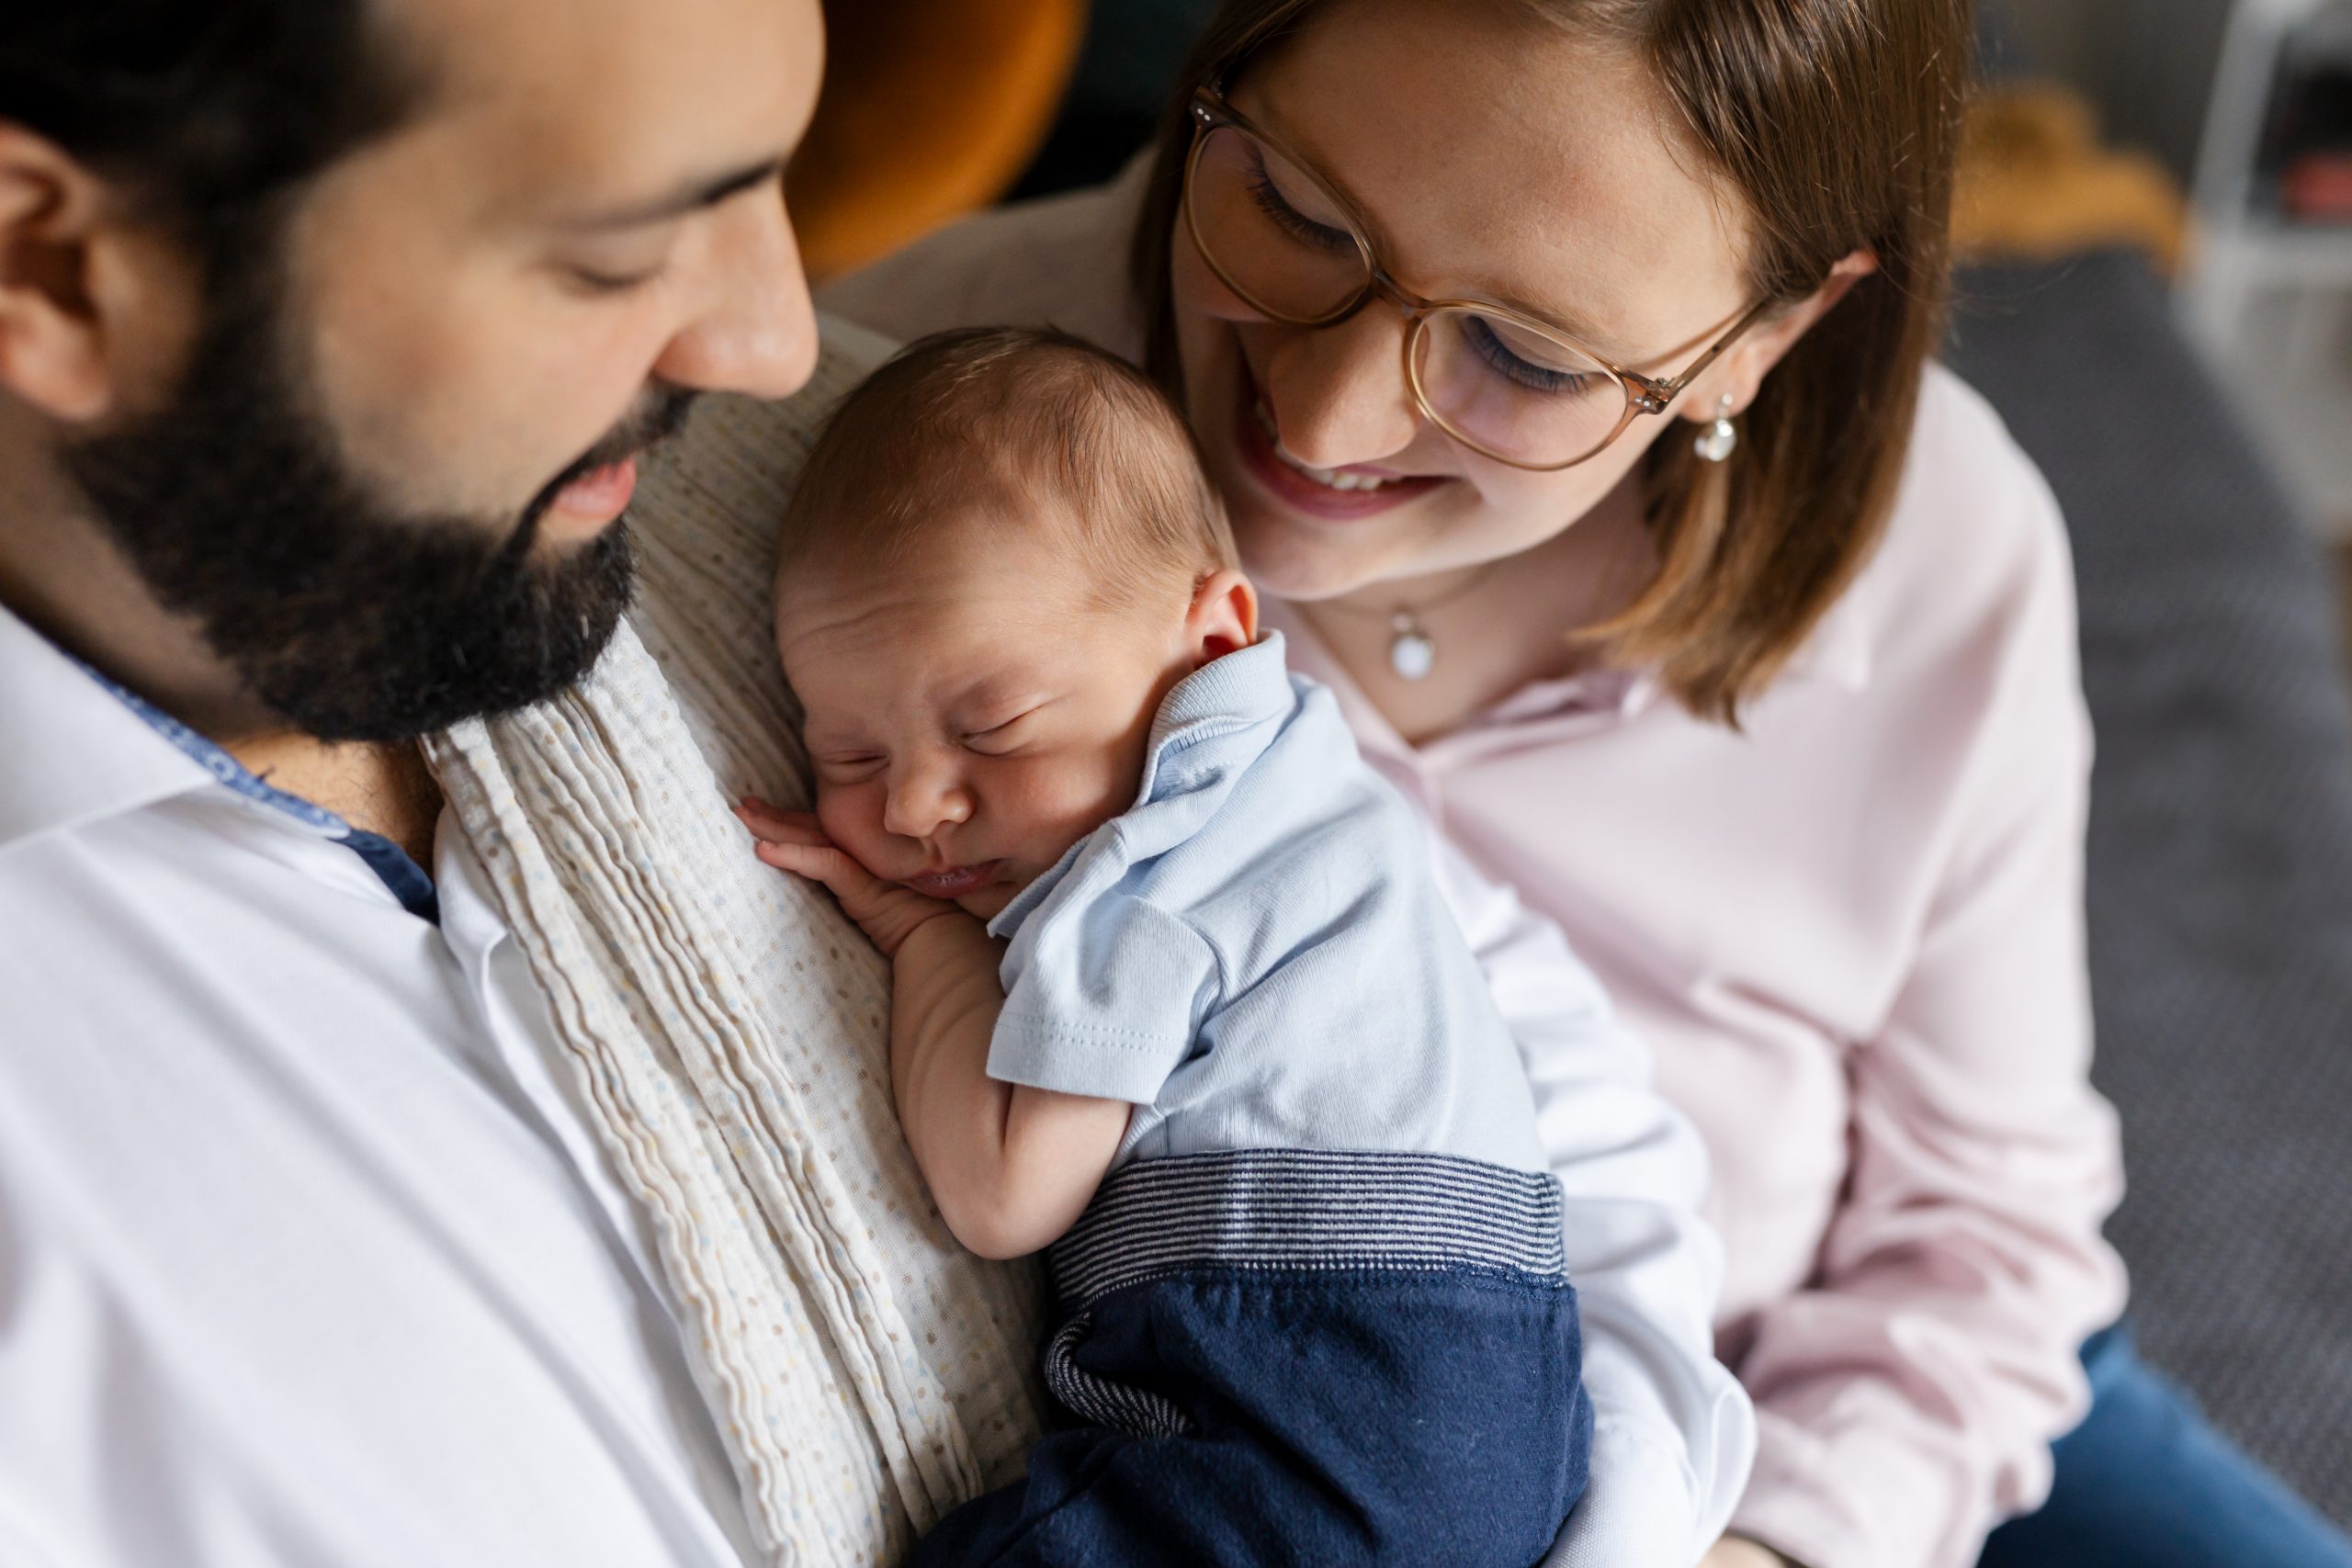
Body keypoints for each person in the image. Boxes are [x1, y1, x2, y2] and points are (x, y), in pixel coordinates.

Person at [816, 1, 2352, 1566]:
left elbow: (1986, 1232)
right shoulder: (897, 433)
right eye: (1293, 210)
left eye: (1526, 354)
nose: (1327, 416)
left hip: (1868, 1399)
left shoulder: (1946, 547)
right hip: (1325, 1424)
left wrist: (1752, 1548)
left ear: (1757, 342)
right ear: (1227, 72)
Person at [0, 1, 824, 1562]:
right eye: (612, 255)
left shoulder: (874, 499)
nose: (773, 343)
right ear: (48, 267)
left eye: (783, 169)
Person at [738, 326, 1610, 1565]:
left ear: (1207, 639)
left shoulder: (1150, 866)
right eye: (851, 757)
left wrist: (916, 938)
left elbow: (1004, 1193)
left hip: (1323, 1381)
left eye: (993, 728)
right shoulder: (1310, 789)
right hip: (1503, 1390)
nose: (912, 806)